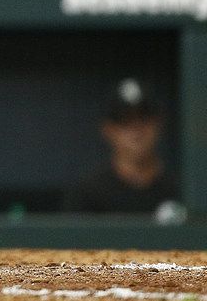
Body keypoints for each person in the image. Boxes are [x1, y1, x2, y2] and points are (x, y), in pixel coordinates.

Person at [64, 78, 184, 221]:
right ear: (108, 130)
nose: (136, 130)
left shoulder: (182, 189)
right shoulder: (88, 194)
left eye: (144, 118)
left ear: (158, 123)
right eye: (125, 121)